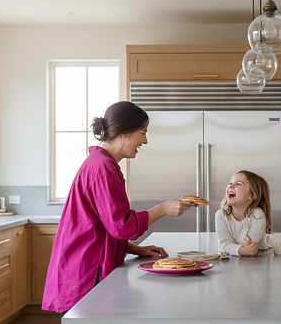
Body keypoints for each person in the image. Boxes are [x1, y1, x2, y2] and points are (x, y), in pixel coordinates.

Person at [42, 101, 195, 313]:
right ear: (125, 134)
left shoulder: (101, 163)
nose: (145, 140)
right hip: (88, 268)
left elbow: (104, 225)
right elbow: (122, 225)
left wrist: (133, 249)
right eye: (142, 132)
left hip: (87, 263)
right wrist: (163, 209)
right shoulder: (102, 167)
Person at [215, 170, 272, 256]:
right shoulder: (221, 215)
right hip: (234, 262)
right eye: (230, 183)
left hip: (258, 262)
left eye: (238, 184)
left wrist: (242, 249)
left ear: (251, 196)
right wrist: (242, 250)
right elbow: (224, 245)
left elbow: (251, 248)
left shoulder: (257, 215)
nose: (231, 186)